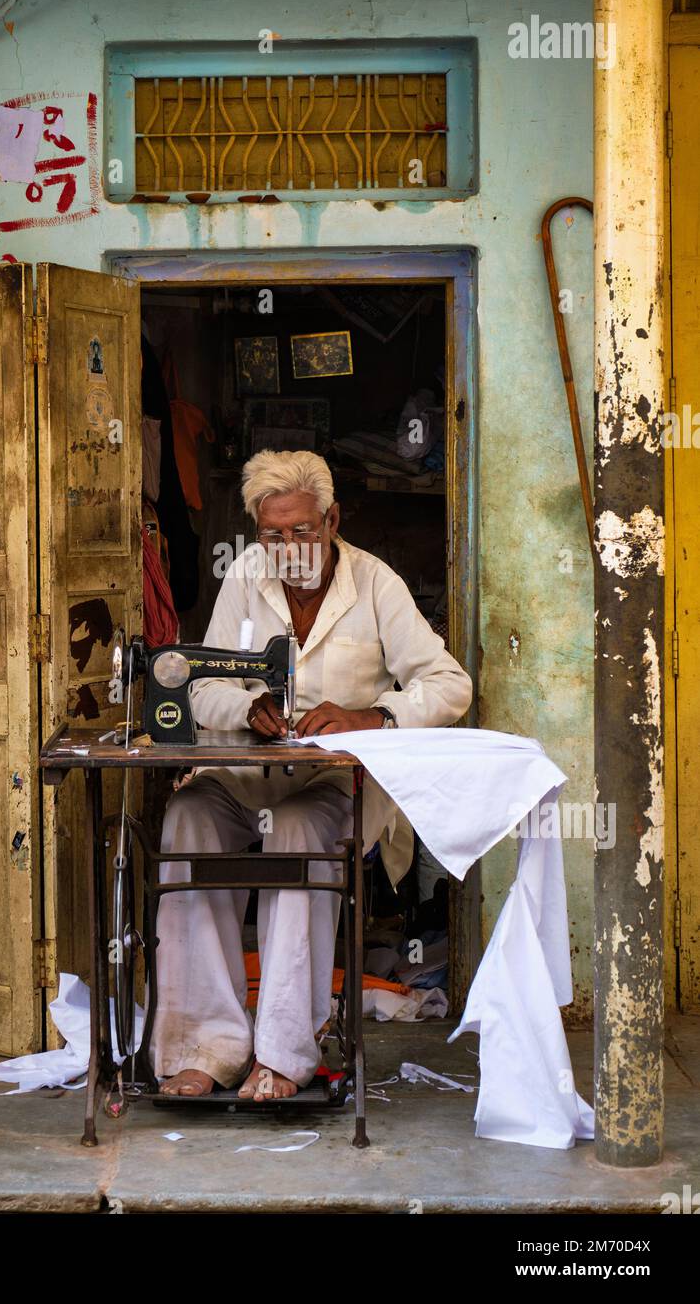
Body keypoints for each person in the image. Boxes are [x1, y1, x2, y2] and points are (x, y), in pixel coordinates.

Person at [150, 449, 473, 1100]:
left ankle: (284, 1055)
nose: (289, 547)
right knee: (187, 818)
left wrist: (371, 716)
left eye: (302, 530)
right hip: (250, 778)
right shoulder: (245, 577)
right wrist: (249, 705)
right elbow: (205, 689)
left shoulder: (375, 584)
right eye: (274, 535)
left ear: (332, 521)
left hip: (332, 787)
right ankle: (206, 1048)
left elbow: (449, 686)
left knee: (297, 830)